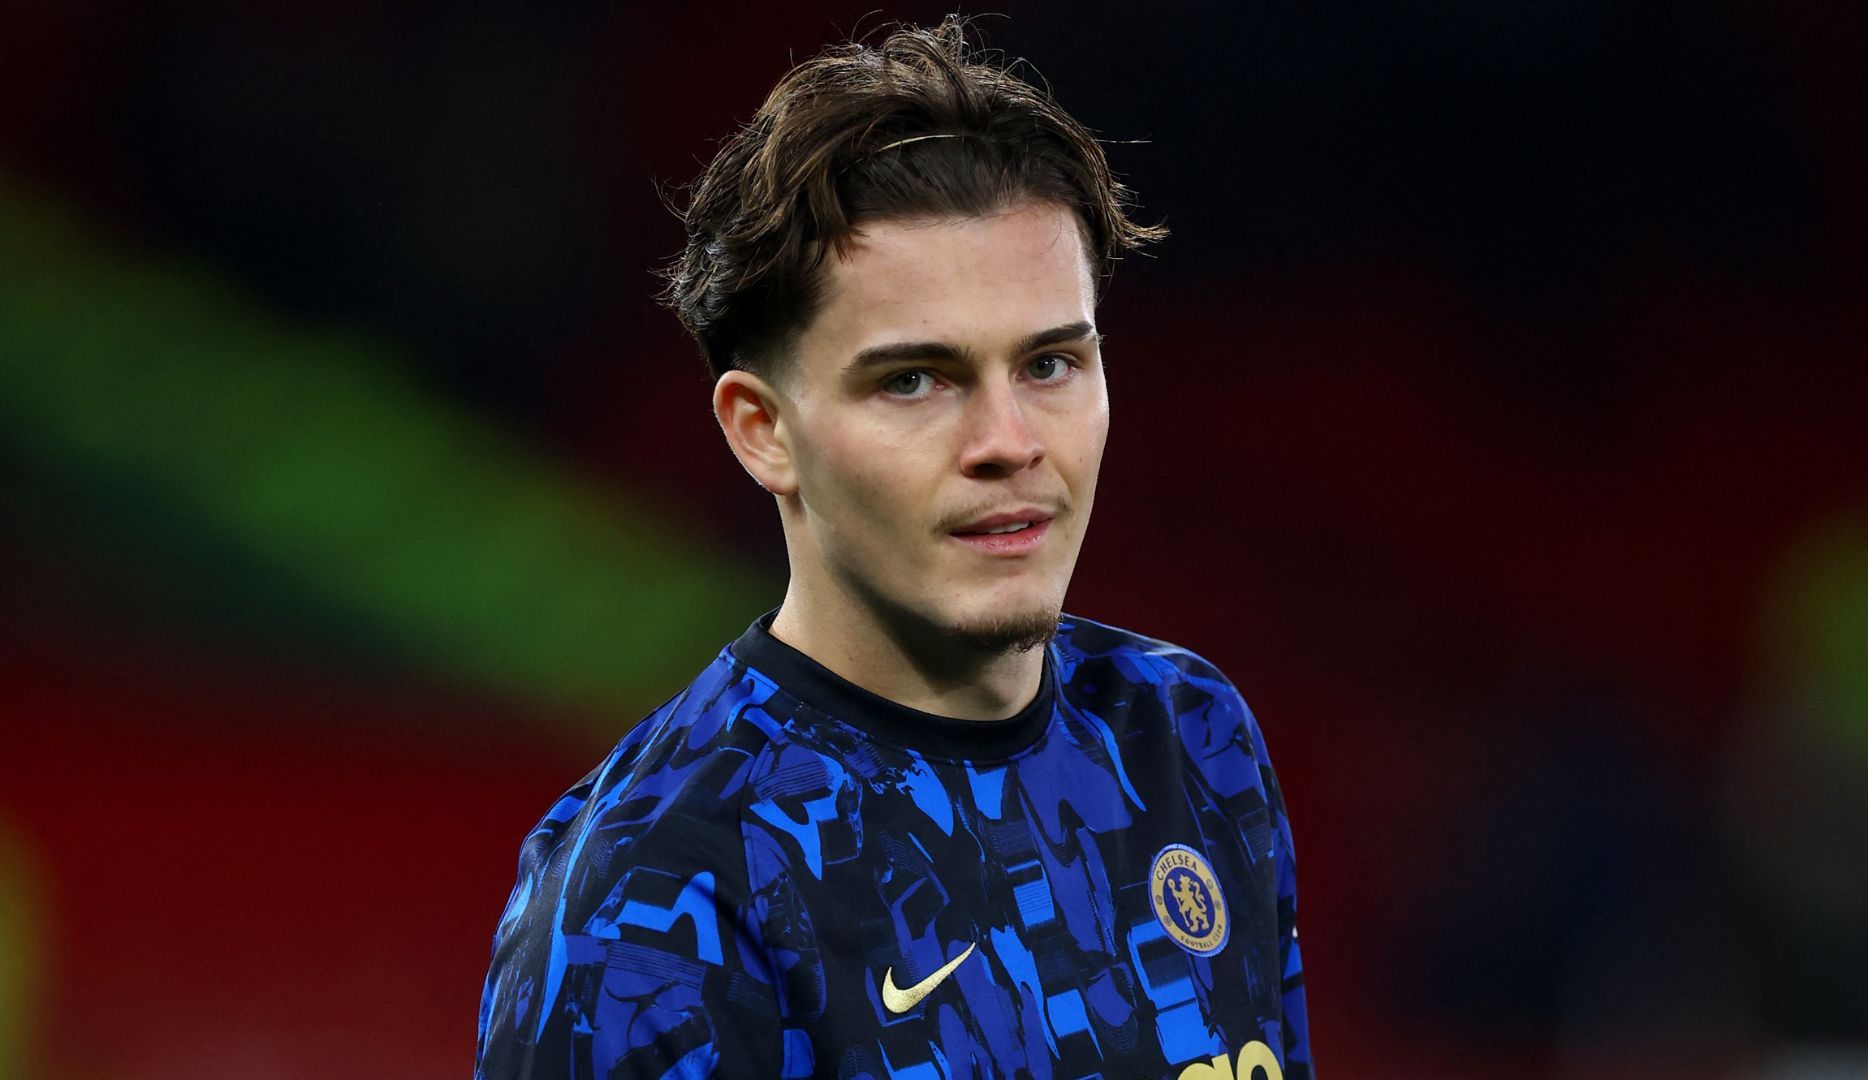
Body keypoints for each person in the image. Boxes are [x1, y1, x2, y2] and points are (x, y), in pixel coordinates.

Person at [475, 17, 1312, 1079]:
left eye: (1051, 364)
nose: (1009, 442)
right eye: (915, 380)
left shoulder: (1187, 736)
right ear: (762, 431)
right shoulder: (654, 901)